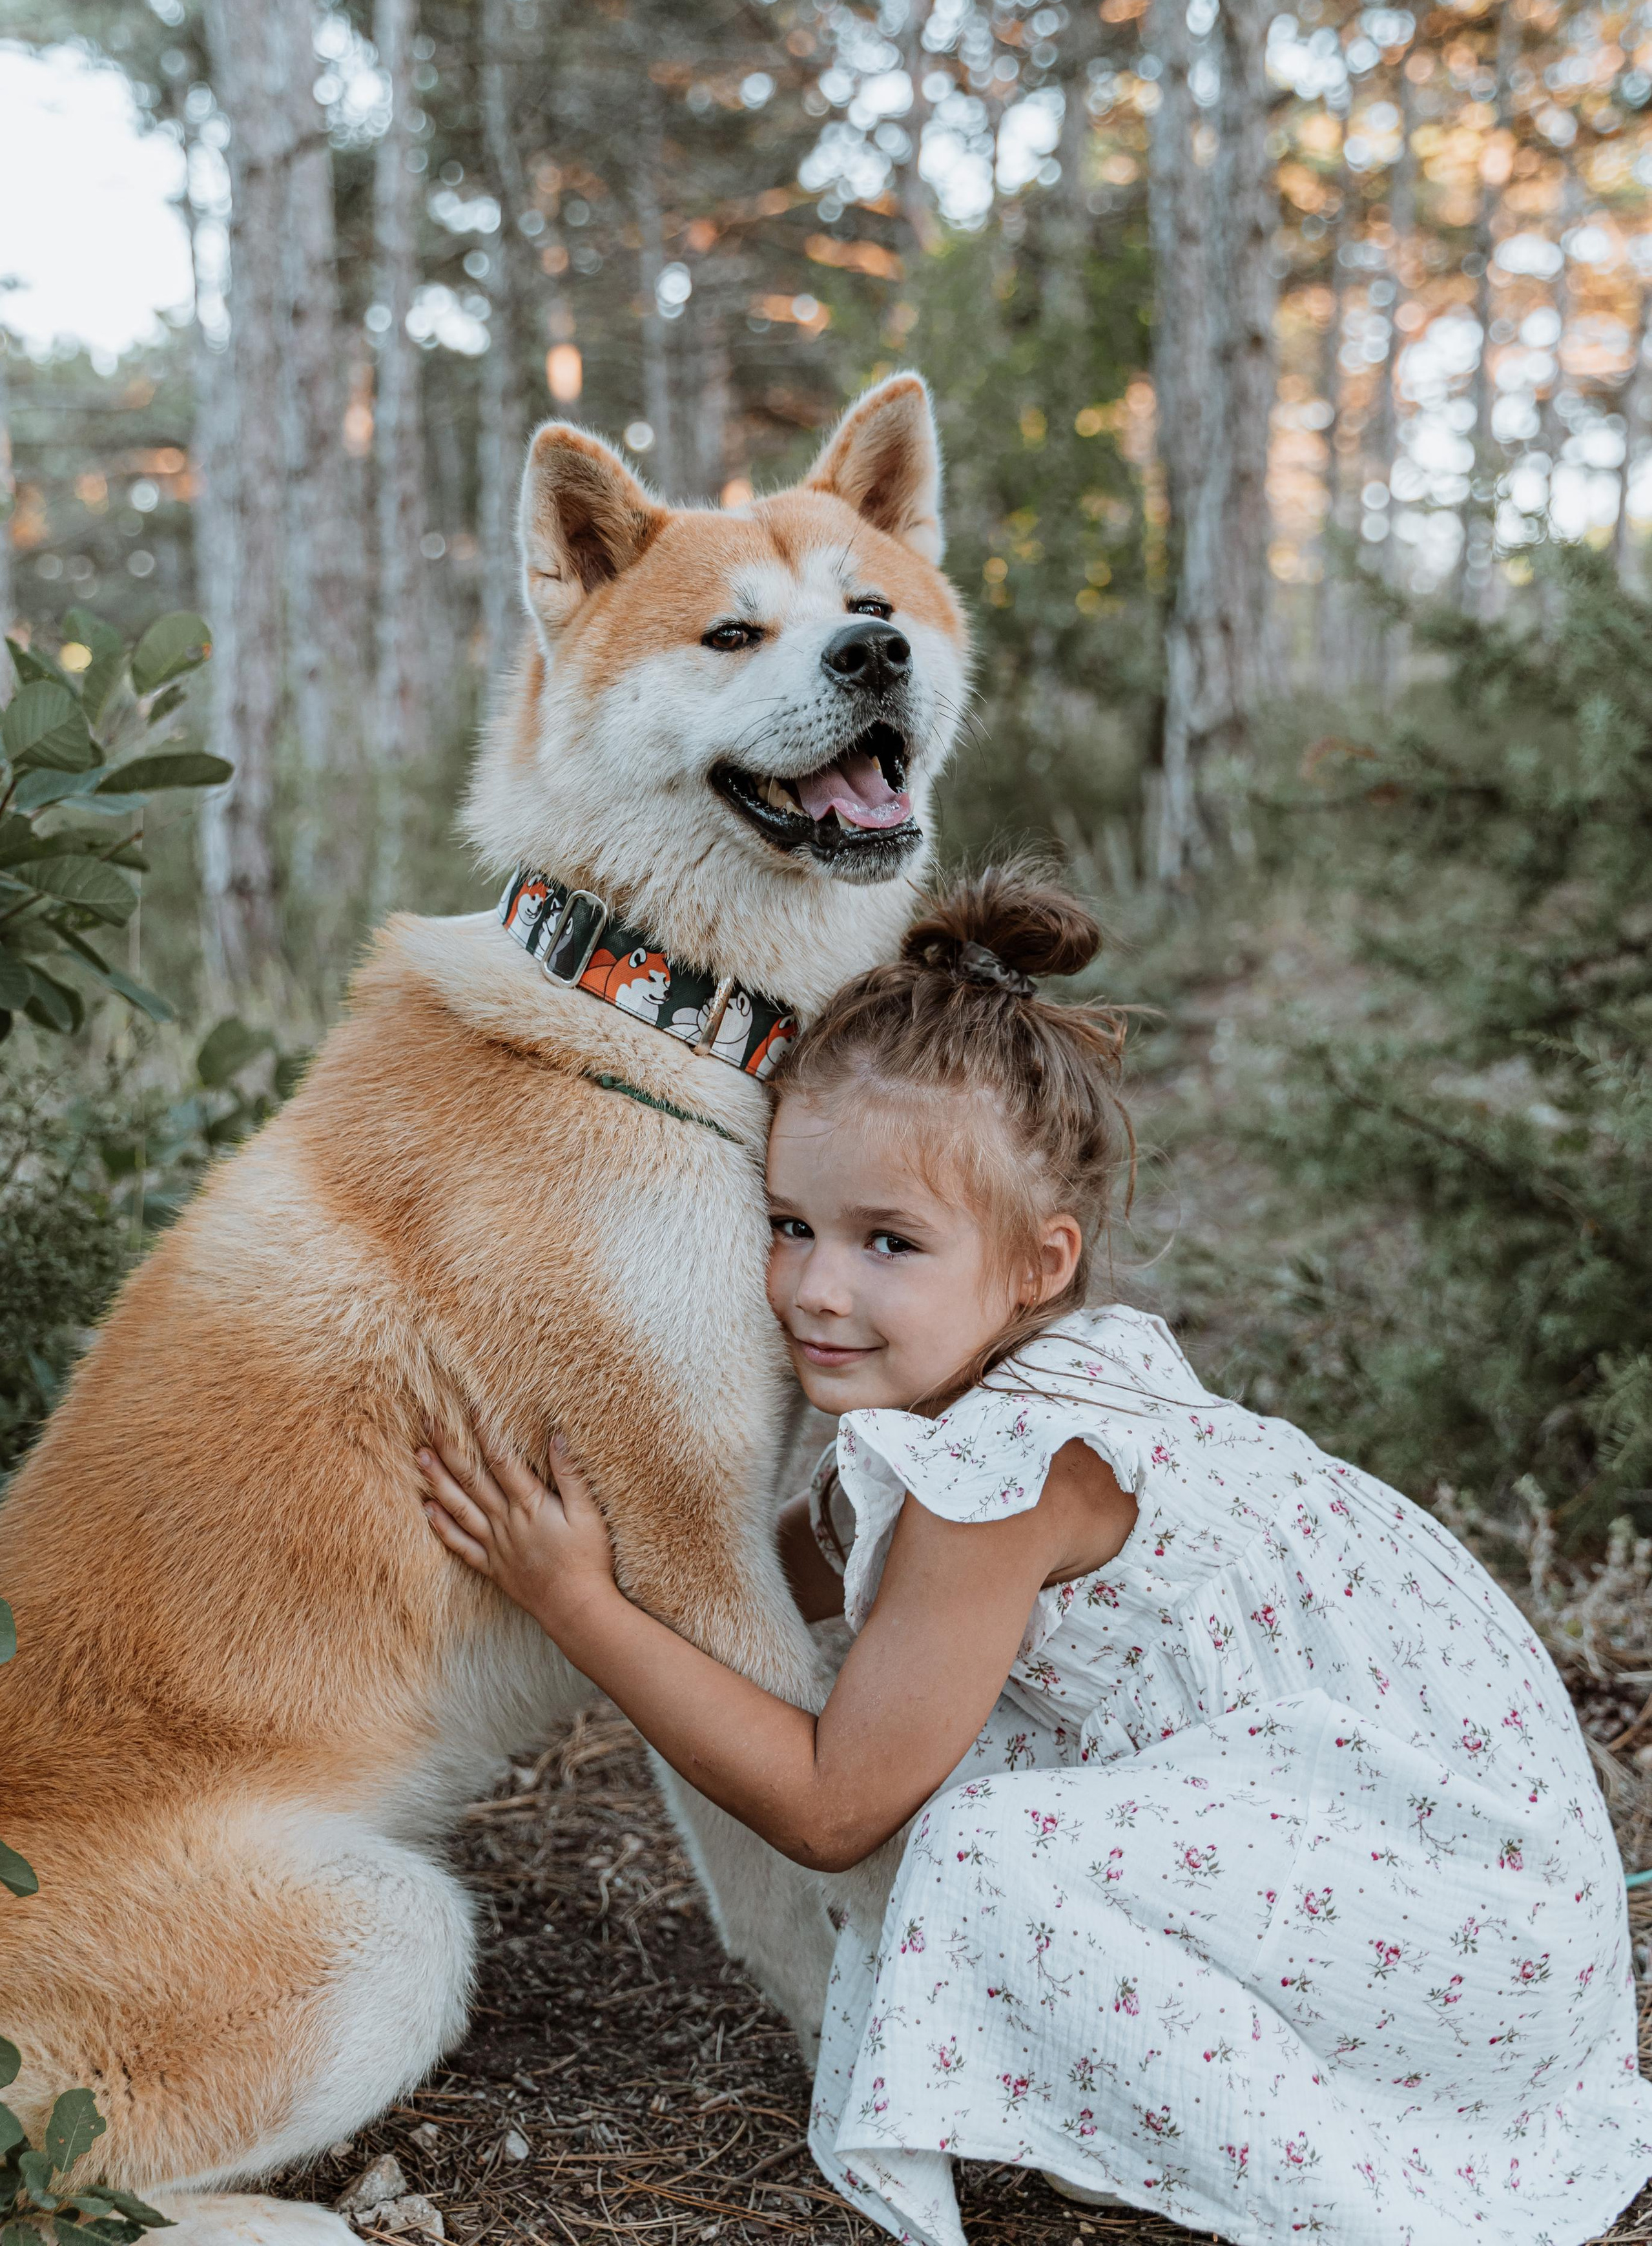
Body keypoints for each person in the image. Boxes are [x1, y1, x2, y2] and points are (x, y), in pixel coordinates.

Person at [417, 868, 1652, 2246]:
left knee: (979, 1839)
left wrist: (576, 1601)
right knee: (985, 1768)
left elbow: (833, 1813)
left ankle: (1209, 2120)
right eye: (789, 1226)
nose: (817, 1287)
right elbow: (792, 1572)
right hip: (1491, 1893)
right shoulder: (1024, 1387)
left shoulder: (1002, 1481)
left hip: (1470, 1945)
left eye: (888, 1242)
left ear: (1037, 1265)